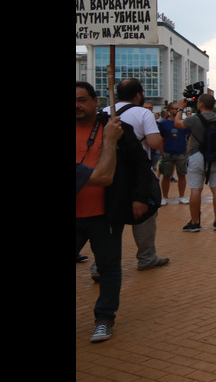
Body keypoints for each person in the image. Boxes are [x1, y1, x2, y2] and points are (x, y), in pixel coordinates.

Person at [76, 81, 127, 342]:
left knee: (108, 267)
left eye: (82, 99)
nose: (77, 105)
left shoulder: (115, 128)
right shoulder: (111, 133)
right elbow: (103, 176)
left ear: (97, 101)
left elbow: (135, 165)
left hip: (103, 213)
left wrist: (140, 199)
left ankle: (104, 317)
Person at [101, 78, 168, 272]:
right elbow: (154, 143)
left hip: (107, 171)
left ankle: (101, 265)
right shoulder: (143, 113)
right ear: (138, 95)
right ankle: (146, 258)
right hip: (137, 172)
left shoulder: (104, 112)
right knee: (146, 214)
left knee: (109, 219)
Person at [174, 93, 216, 231]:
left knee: (196, 189)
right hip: (215, 156)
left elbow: (178, 124)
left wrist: (180, 108)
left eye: (198, 101)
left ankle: (195, 222)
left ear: (201, 104)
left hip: (197, 156)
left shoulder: (194, 119)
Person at [158, 102, 190, 202]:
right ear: (169, 110)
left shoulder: (183, 123)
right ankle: (165, 197)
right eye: (174, 109)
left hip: (181, 152)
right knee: (166, 175)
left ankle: (181, 196)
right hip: (167, 152)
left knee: (182, 175)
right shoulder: (163, 124)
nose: (176, 111)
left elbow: (188, 136)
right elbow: (159, 137)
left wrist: (187, 149)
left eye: (178, 109)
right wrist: (161, 151)